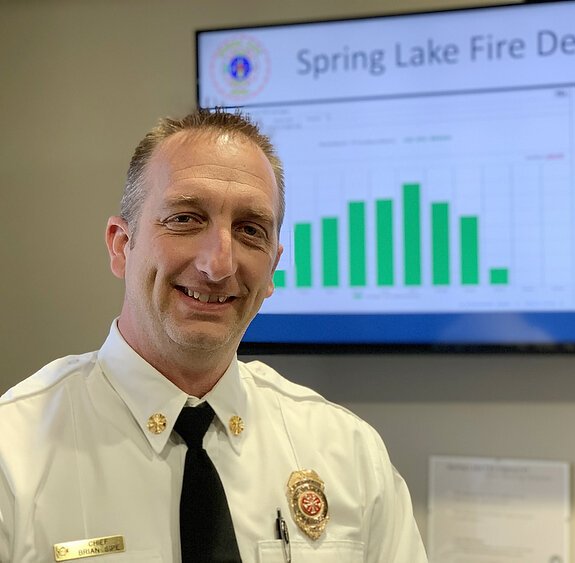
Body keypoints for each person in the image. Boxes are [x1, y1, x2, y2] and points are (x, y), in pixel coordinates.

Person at [0, 109, 428, 562]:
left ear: (272, 270)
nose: (218, 265)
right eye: (185, 219)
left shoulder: (349, 455)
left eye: (250, 230)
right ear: (121, 245)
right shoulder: (14, 456)